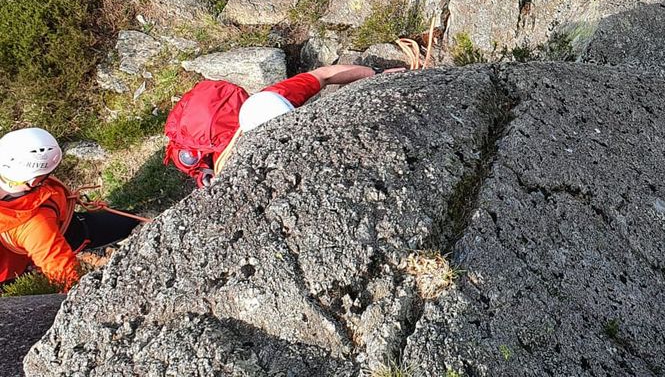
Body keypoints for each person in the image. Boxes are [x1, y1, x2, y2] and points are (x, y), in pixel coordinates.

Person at [167, 64, 391, 185]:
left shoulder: (273, 98)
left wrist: (379, 75)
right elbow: (325, 74)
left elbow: (324, 74)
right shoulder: (226, 167)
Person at [0, 128, 143, 291]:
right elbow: (66, 275)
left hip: (12, 265)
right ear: (34, 180)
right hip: (57, 237)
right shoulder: (35, 224)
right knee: (129, 223)